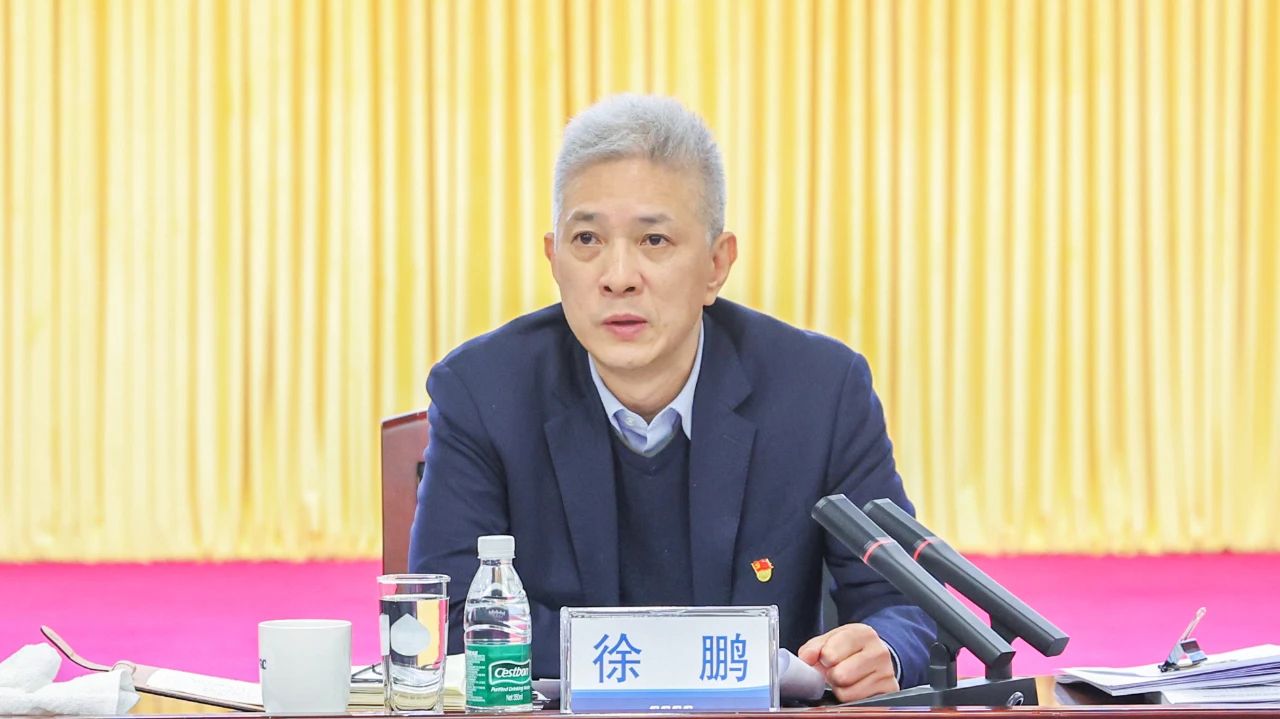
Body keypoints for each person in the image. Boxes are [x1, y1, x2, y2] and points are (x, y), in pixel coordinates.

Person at [409, 94, 935, 701]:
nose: (618, 276)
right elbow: (449, 622)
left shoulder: (818, 391)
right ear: (554, 259)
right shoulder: (483, 391)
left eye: (654, 240)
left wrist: (884, 649)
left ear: (716, 264)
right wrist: (691, 657)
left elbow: (906, 603)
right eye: (587, 239)